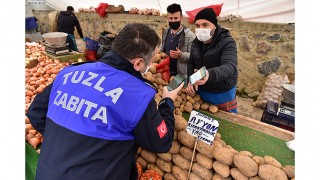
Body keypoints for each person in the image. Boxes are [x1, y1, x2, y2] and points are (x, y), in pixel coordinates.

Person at [26, 23, 184, 180]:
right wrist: (167, 101)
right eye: (150, 61)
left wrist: (65, 141)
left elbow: (35, 112)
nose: (150, 65)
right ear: (138, 63)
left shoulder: (68, 72)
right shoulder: (137, 94)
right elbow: (161, 143)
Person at [186, 8, 238, 113]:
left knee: (226, 123)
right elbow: (191, 62)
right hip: (202, 90)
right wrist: (190, 80)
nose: (201, 29)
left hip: (222, 91)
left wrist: (209, 74)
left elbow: (230, 67)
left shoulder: (227, 42)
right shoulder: (195, 43)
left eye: (205, 25)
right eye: (197, 25)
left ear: (214, 25)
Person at [160, 3, 196, 78]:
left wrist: (181, 55)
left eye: (176, 18)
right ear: (167, 18)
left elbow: (194, 56)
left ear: (181, 18)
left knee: (173, 89)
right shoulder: (166, 32)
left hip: (180, 76)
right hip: (164, 72)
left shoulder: (190, 36)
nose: (173, 21)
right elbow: (161, 48)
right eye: (171, 18)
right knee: (163, 89)